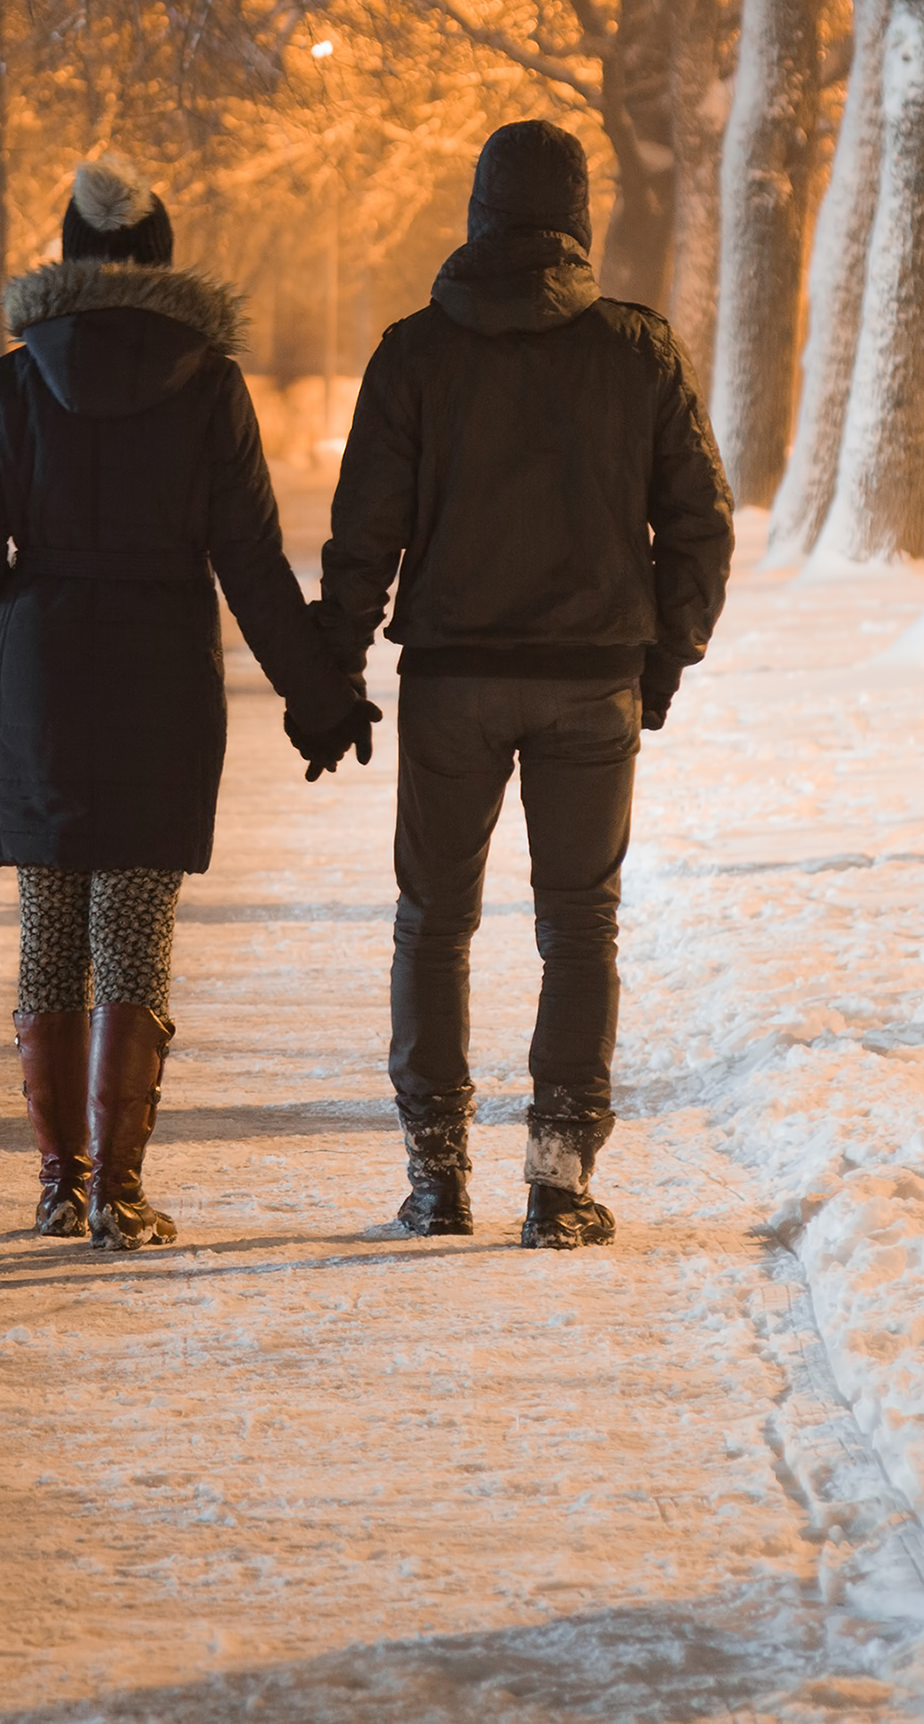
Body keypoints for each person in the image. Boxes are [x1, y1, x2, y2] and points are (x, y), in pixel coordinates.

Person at [0, 161, 374, 1250]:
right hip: (160, 676)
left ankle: (54, 1180)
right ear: (163, 261)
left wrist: (27, 623)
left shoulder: (13, 382)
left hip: (43, 676)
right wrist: (319, 698)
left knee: (50, 930)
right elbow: (251, 561)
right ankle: (116, 1194)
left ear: (67, 263)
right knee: (132, 927)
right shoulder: (207, 382)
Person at [318, 120, 733, 1249]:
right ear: (577, 217)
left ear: (476, 214)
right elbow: (699, 524)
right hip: (590, 682)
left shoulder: (414, 353)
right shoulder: (636, 351)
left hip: (452, 679)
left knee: (432, 925)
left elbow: (366, 533)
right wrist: (661, 660)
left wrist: (334, 667)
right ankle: (557, 1178)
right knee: (581, 927)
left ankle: (435, 1176)